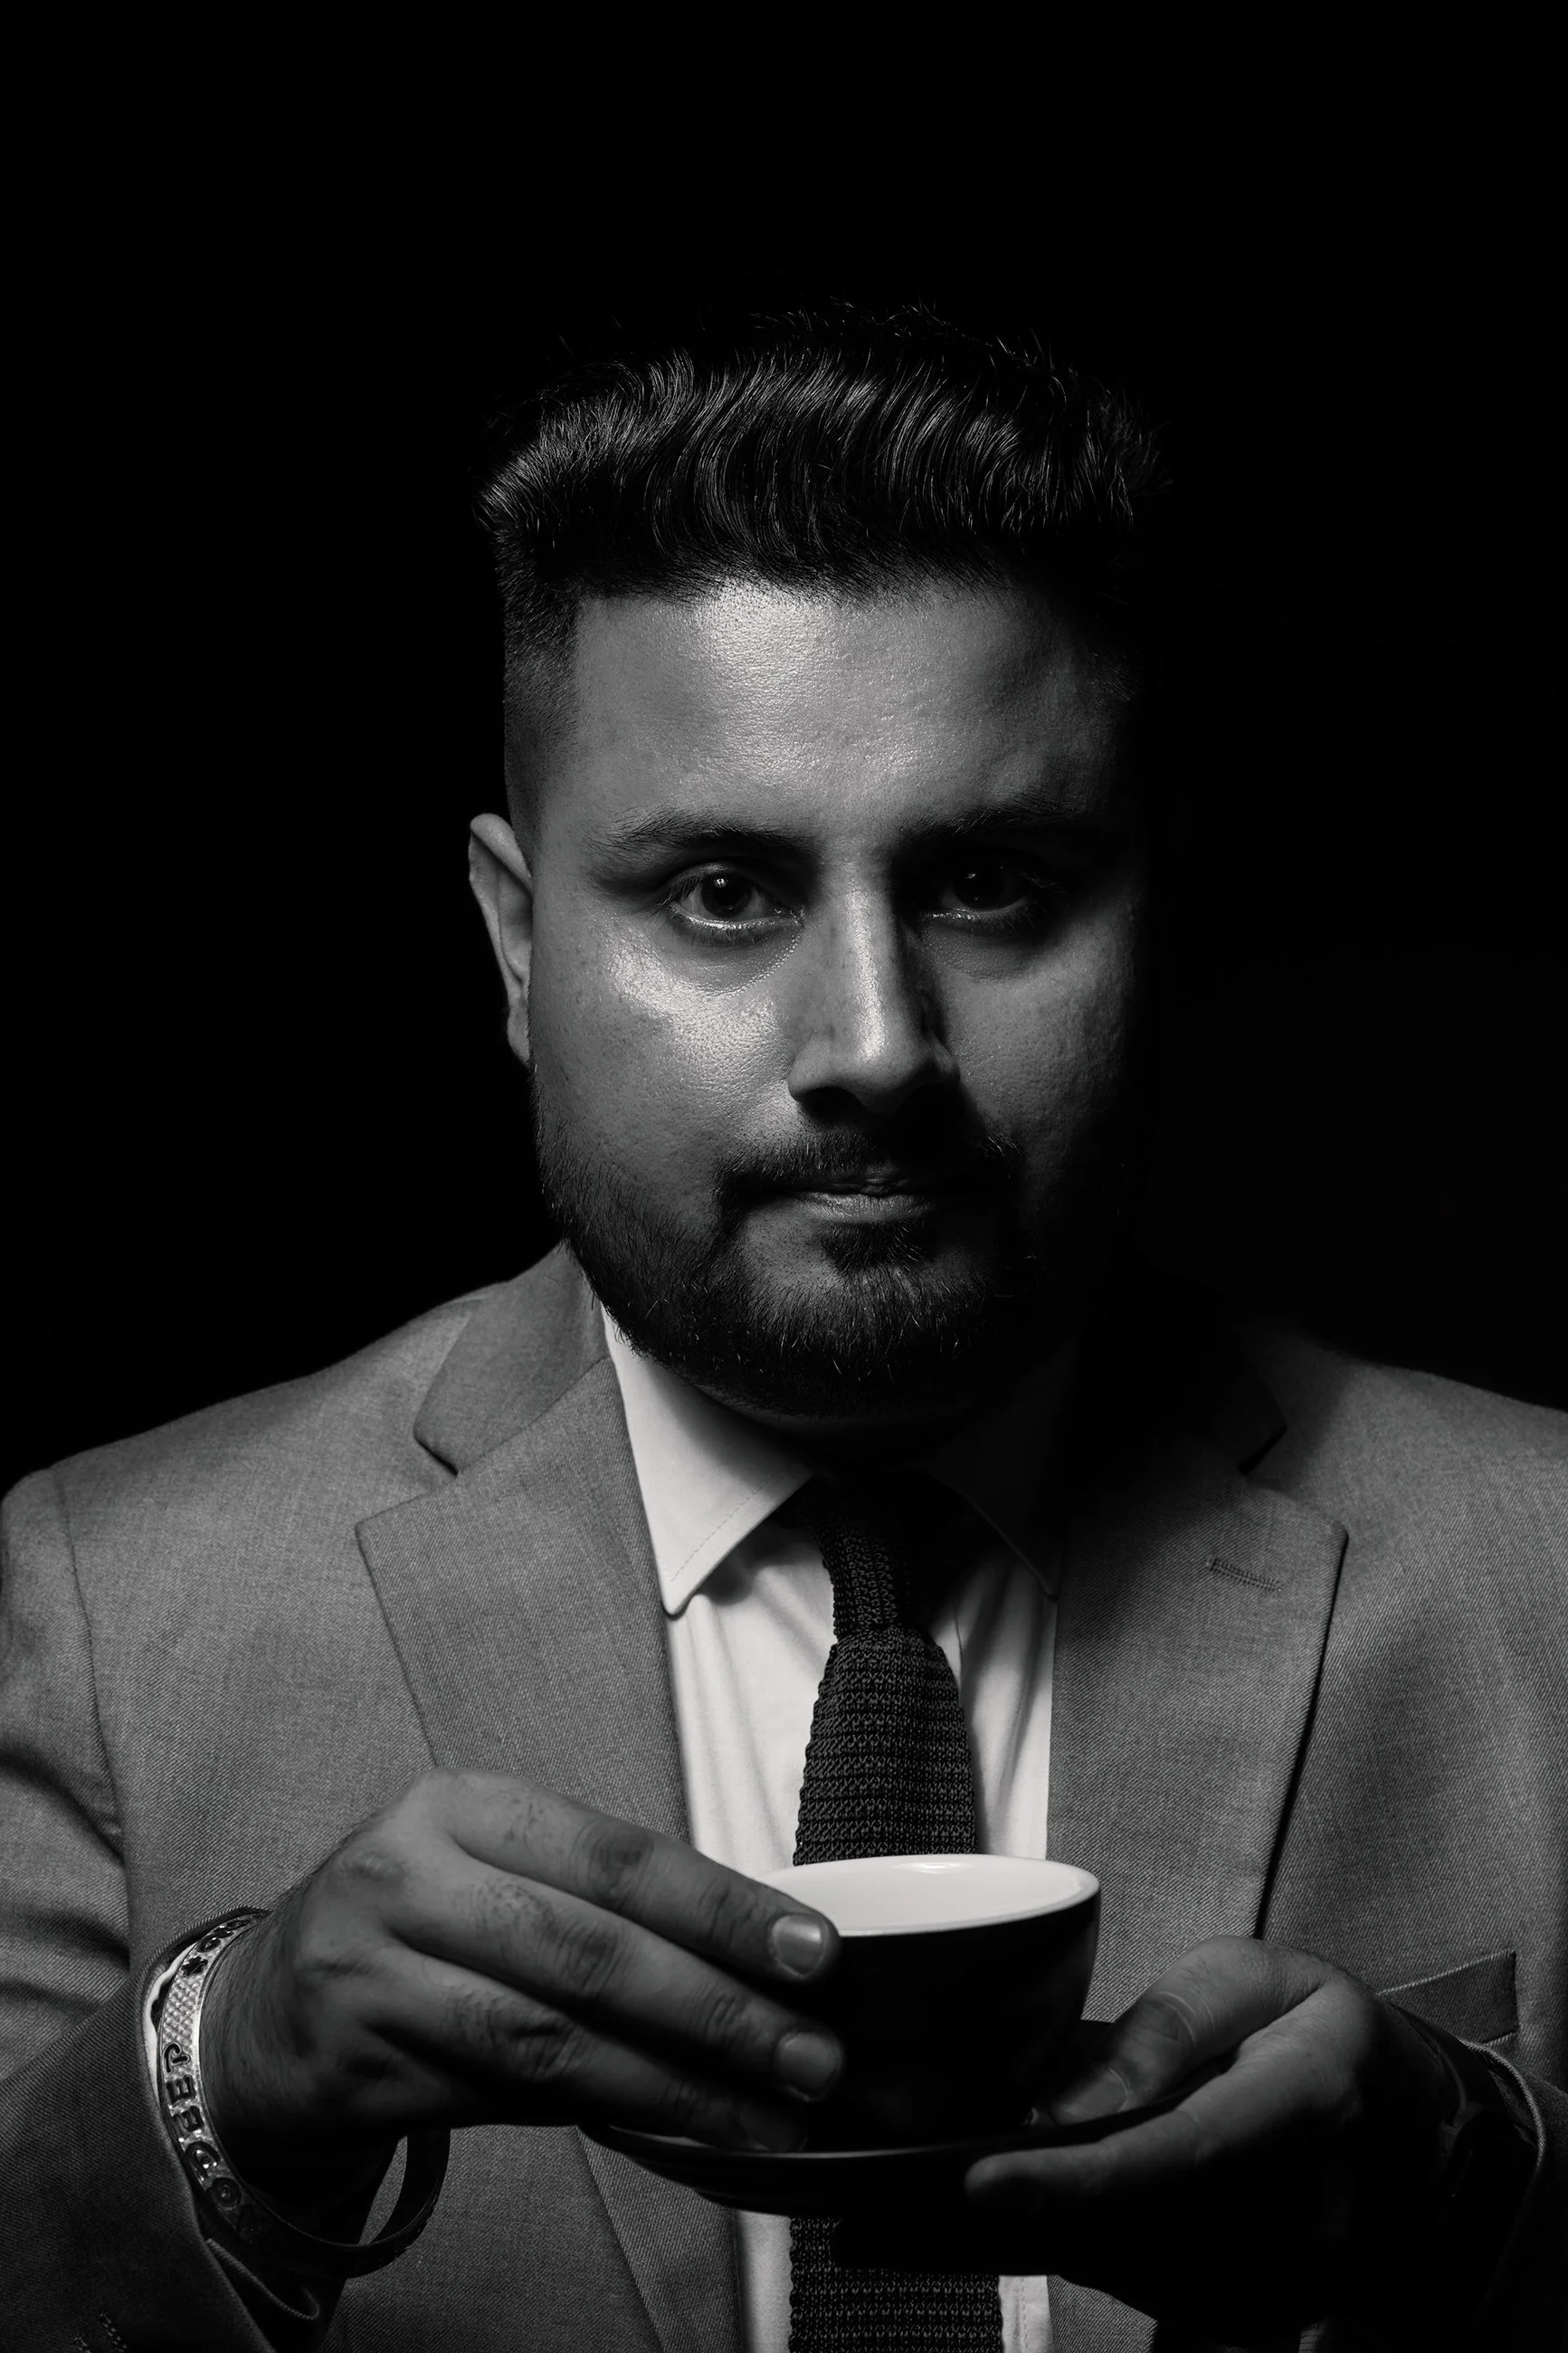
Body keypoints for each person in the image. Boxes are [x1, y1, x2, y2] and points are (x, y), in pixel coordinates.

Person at [2, 307, 1563, 2353]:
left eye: (991, 879)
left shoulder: (1540, 1565)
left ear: (1152, 908)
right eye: (724, 889)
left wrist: (1489, 2203)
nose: (874, 1047)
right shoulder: (112, 1608)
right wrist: (227, 2092)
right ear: (515, 943)